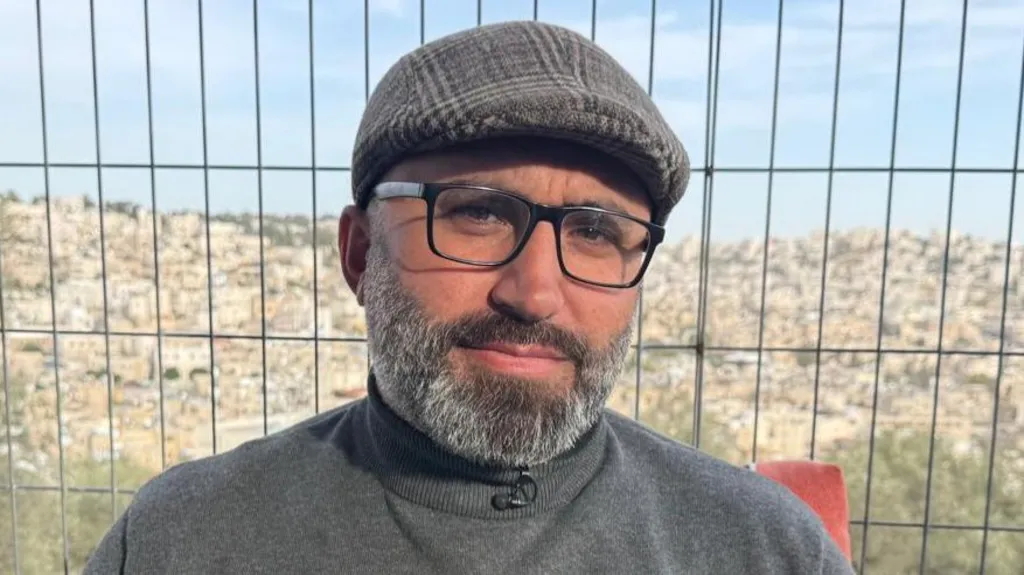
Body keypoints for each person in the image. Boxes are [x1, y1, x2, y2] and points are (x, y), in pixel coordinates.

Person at [85, 21, 854, 574]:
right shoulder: (180, 542)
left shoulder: (764, 550)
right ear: (360, 253)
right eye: (478, 213)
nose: (535, 292)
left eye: (594, 230)